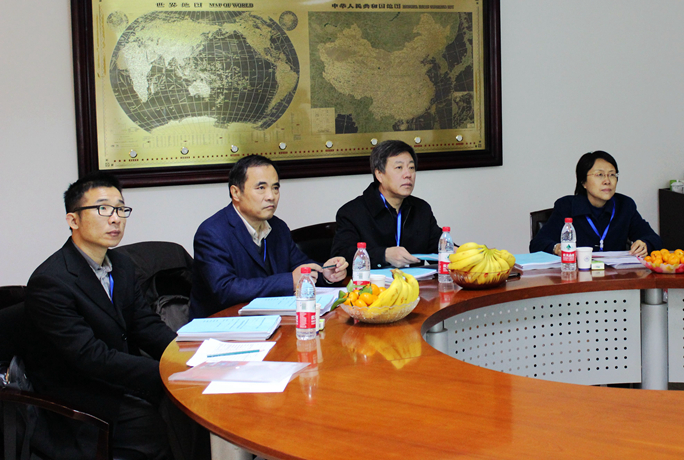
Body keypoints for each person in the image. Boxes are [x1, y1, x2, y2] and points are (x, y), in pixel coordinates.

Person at [25, 173, 180, 460]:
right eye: (103, 209)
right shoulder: (51, 281)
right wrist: (168, 370)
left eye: (120, 209)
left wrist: (186, 354)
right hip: (80, 393)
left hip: (121, 378)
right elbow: (90, 357)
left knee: (192, 403)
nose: (115, 218)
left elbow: (145, 324)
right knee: (159, 428)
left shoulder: (121, 264)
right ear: (73, 220)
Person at [189, 155, 348, 319]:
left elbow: (300, 266)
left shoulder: (278, 227)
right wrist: (289, 281)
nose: (271, 196)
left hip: (270, 320)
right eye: (261, 188)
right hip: (222, 325)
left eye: (275, 188)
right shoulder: (212, 233)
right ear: (236, 192)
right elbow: (225, 290)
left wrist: (326, 274)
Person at [332, 140, 443, 269]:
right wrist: (384, 255)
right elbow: (341, 257)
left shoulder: (421, 209)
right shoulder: (351, 212)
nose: (408, 175)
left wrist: (455, 252)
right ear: (379, 174)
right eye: (399, 168)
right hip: (372, 281)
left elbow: (439, 248)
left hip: (414, 281)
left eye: (411, 168)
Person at [529, 151, 662, 258]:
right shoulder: (567, 207)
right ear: (583, 182)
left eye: (612, 175)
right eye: (600, 175)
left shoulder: (625, 206)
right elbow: (537, 244)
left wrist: (645, 244)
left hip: (615, 277)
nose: (607, 181)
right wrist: (556, 248)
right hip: (577, 276)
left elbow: (654, 239)